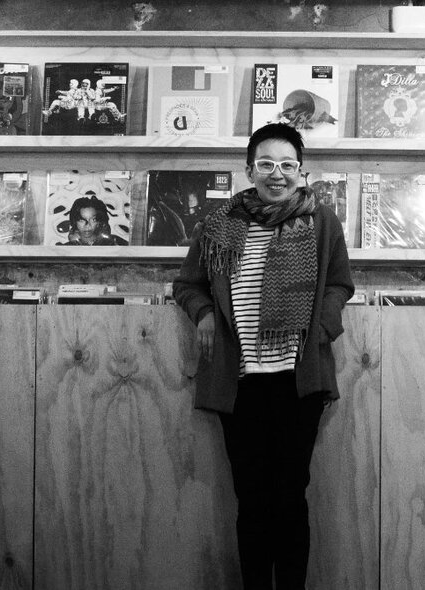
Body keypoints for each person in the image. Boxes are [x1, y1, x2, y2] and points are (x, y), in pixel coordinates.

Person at [173, 123, 354, 590]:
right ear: (249, 168)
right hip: (241, 384)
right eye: (267, 164)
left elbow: (339, 284)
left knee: (291, 496)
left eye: (288, 165)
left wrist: (322, 329)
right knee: (251, 499)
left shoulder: (321, 222)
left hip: (297, 381)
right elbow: (187, 284)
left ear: (302, 170)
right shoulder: (218, 224)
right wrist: (205, 316)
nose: (278, 174)